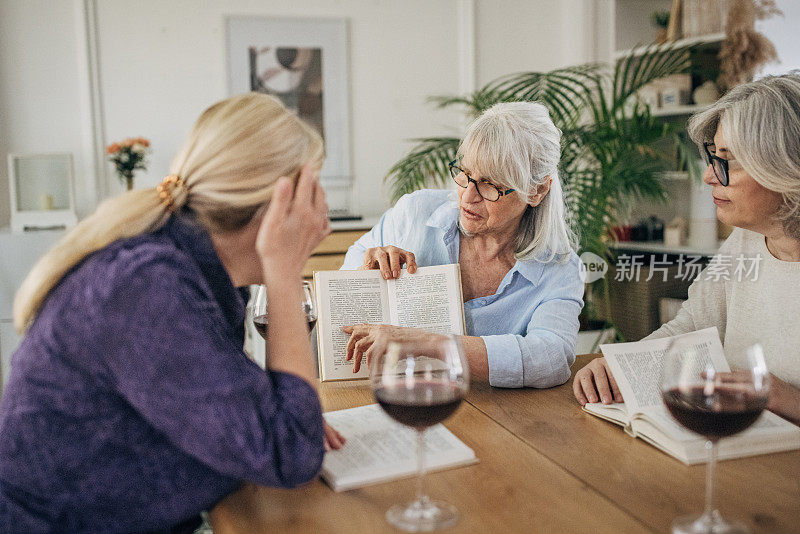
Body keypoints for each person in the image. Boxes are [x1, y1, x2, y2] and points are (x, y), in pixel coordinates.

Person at [0, 93, 344, 532]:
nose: (322, 212)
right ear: (275, 205)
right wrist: (285, 270)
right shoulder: (144, 287)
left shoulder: (188, 267)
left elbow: (237, 408)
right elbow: (289, 451)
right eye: (312, 191)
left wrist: (289, 415)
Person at [573, 73, 800, 426]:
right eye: (714, 156)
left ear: (784, 166)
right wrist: (623, 364)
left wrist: (790, 399)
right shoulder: (745, 240)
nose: (709, 176)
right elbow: (692, 326)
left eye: (729, 160)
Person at [340, 102, 584, 388]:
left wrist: (423, 342)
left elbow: (550, 358)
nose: (467, 197)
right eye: (465, 174)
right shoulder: (414, 213)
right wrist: (366, 268)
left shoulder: (560, 269)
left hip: (496, 417)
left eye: (490, 184)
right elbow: (344, 285)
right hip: (397, 396)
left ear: (537, 190)